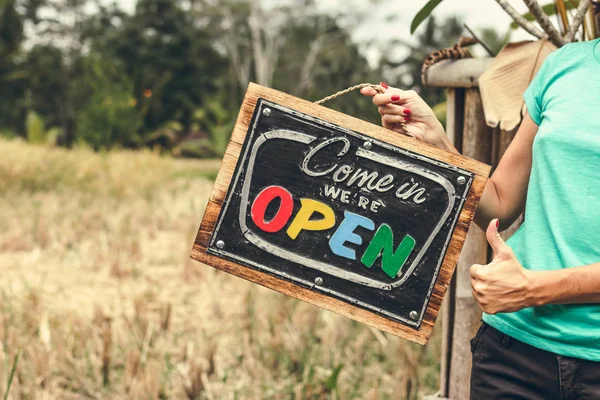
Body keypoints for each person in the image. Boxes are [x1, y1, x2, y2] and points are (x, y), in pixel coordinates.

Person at [361, 37, 600, 399]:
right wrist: (436, 140)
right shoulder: (564, 65)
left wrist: (533, 288)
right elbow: (501, 202)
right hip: (513, 354)